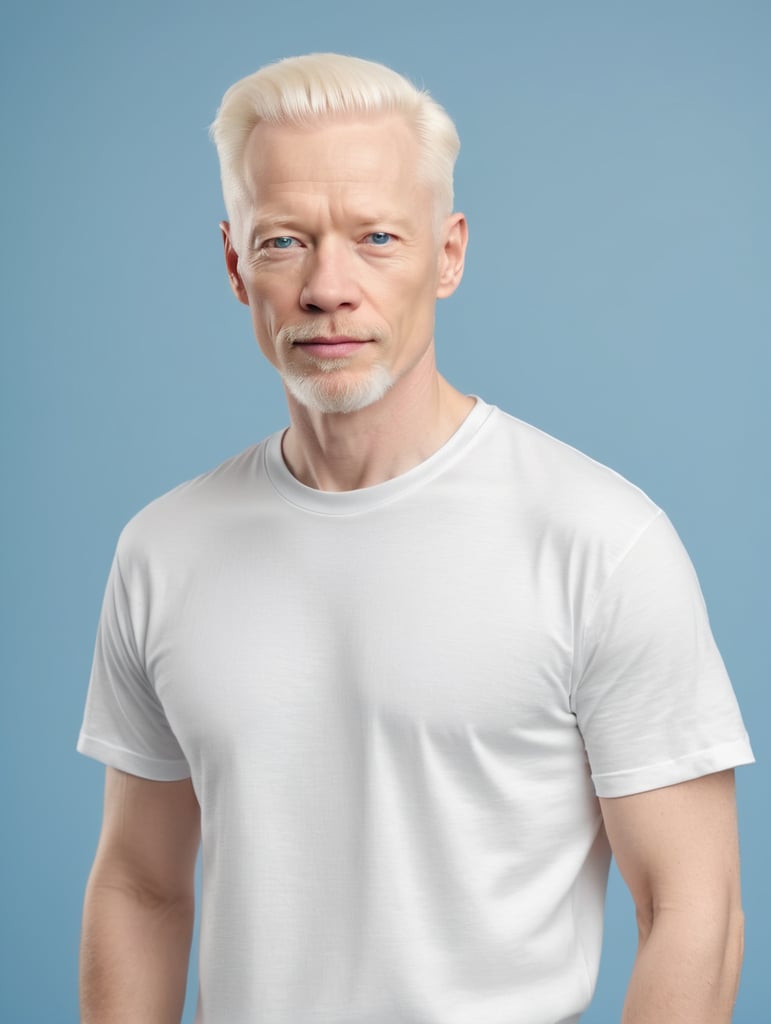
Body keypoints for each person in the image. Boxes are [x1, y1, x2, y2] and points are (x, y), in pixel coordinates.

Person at [77, 53, 754, 1024]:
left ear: (449, 253)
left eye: (378, 237)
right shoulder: (164, 549)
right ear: (236, 264)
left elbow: (696, 908)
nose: (327, 286)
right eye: (283, 242)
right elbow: (140, 885)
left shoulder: (601, 541)